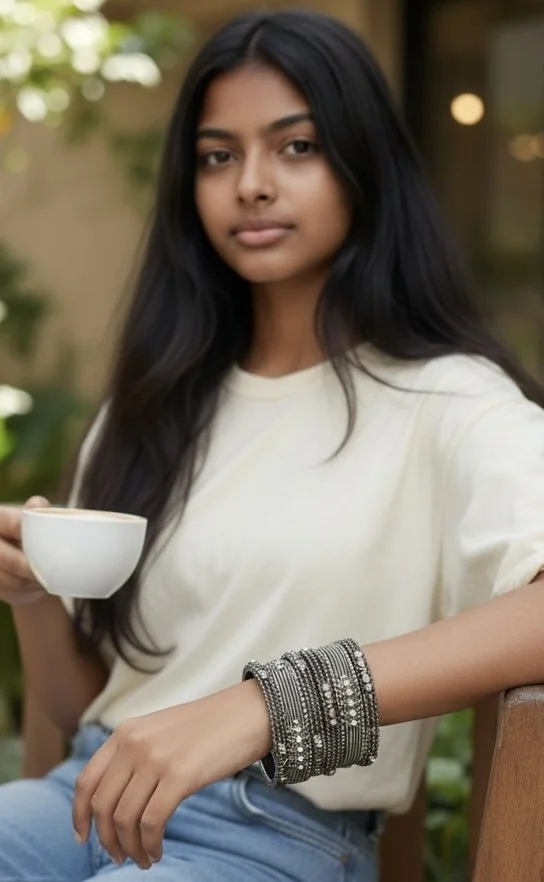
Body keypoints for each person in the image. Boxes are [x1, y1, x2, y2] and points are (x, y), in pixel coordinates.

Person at [1, 9, 544, 881]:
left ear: (365, 165)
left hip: (276, 832)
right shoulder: (155, 400)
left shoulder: (452, 404)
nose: (251, 183)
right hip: (84, 798)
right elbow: (81, 701)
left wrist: (269, 705)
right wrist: (31, 596)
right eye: (219, 156)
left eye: (296, 147)